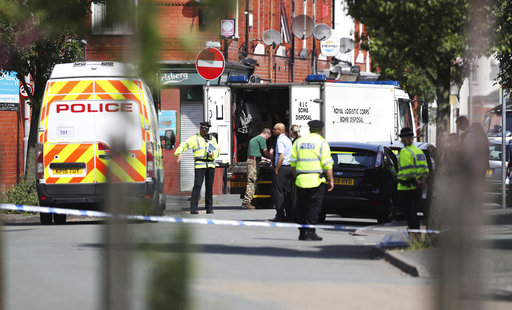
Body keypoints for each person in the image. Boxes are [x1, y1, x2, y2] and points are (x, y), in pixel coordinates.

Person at [290, 120, 334, 241]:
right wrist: (331, 180)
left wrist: (296, 177)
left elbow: (292, 163)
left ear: (309, 130)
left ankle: (302, 232)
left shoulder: (298, 143)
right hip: (316, 181)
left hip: (300, 181)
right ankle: (310, 231)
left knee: (301, 207)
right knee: (314, 207)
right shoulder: (322, 143)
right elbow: (327, 164)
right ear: (320, 130)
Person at [174, 121, 220, 214]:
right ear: (200, 129)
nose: (204, 132)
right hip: (200, 165)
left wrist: (213, 153)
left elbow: (218, 150)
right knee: (197, 186)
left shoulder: (212, 139)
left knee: (209, 187)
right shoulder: (195, 138)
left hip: (210, 165)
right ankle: (194, 208)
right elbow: (184, 144)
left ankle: (209, 208)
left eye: (206, 130)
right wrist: (179, 152)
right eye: (203, 130)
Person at [397, 127, 429, 230]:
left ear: (405, 138)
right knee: (414, 214)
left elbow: (408, 171)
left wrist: (415, 181)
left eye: (402, 138)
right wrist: (421, 182)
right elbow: (425, 169)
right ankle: (415, 234)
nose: (401, 140)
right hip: (417, 189)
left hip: (406, 188)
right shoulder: (419, 151)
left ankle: (414, 236)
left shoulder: (405, 151)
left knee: (409, 215)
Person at [242, 128, 272, 209]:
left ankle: (250, 200)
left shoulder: (254, 139)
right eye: (268, 137)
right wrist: (271, 158)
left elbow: (255, 154)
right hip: (253, 162)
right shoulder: (261, 139)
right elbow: (265, 151)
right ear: (267, 134)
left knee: (252, 180)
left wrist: (265, 159)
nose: (267, 139)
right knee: (252, 181)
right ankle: (246, 201)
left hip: (252, 160)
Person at [271, 123, 294, 221]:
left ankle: (280, 215)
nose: (273, 131)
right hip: (289, 168)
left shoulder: (280, 141)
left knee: (278, 192)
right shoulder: (288, 140)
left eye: (274, 129)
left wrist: (276, 169)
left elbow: (281, 156)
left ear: (280, 130)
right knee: (287, 192)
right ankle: (289, 214)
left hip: (282, 168)